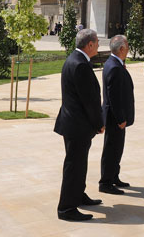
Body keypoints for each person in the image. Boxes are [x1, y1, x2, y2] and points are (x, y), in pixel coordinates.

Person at [54, 29, 105, 222]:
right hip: (77, 125)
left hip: (73, 123)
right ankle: (67, 208)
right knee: (74, 166)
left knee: (78, 164)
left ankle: (78, 195)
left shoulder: (74, 59)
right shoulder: (80, 65)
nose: (99, 45)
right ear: (89, 45)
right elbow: (89, 101)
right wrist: (99, 123)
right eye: (97, 42)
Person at [99, 35, 135, 195]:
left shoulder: (115, 63)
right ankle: (105, 182)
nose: (128, 49)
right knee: (111, 149)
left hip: (117, 117)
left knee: (117, 148)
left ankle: (114, 176)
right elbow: (113, 97)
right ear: (121, 49)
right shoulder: (114, 66)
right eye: (127, 46)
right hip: (115, 118)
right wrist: (121, 119)